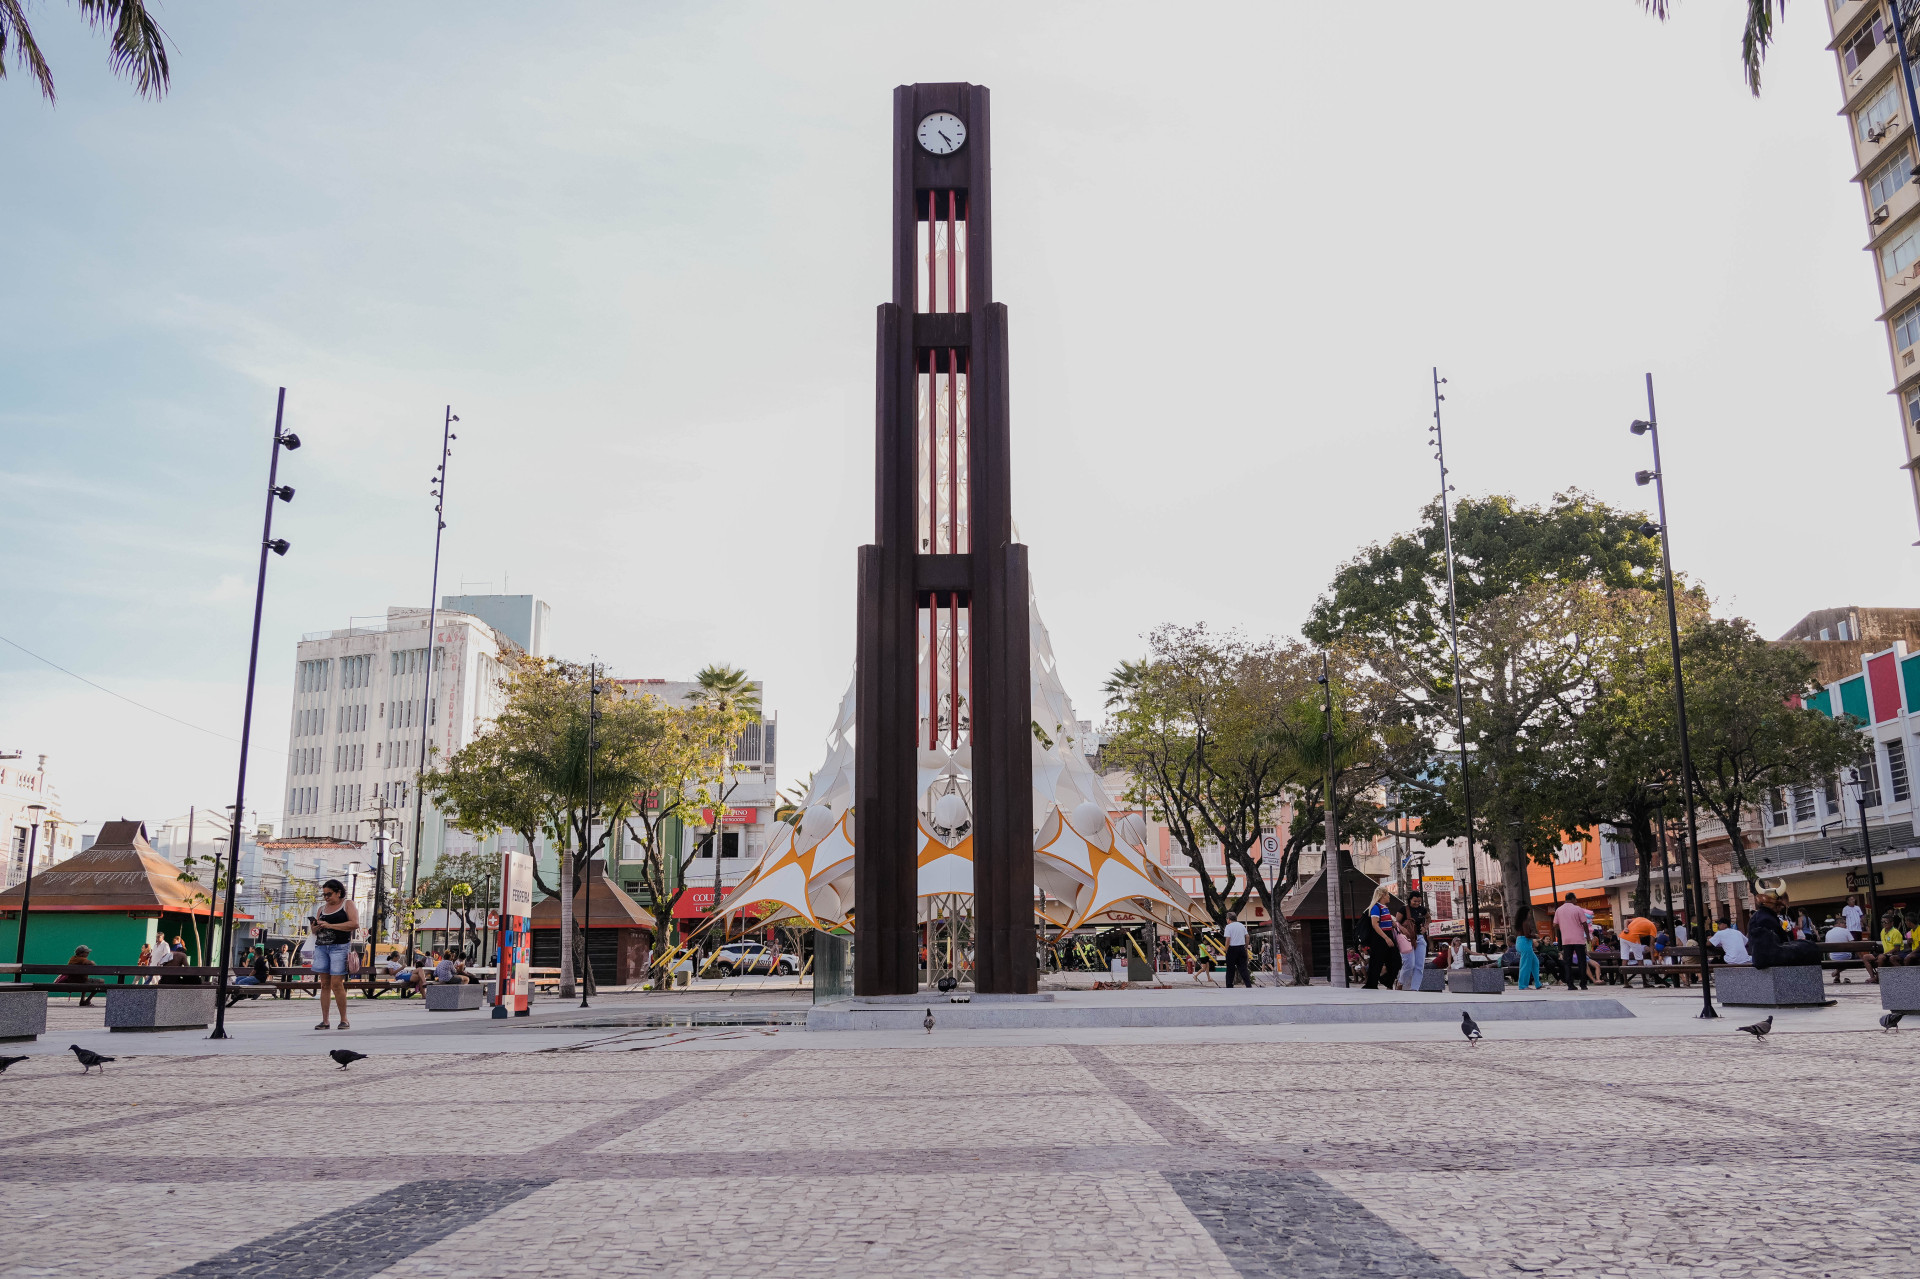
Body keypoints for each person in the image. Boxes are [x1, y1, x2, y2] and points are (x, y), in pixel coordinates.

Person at [308, 878, 361, 1030]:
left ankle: (344, 1019)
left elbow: (354, 923)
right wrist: (316, 927)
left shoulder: (347, 904)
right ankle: (325, 1021)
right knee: (324, 984)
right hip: (322, 947)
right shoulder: (322, 909)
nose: (326, 897)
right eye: (324, 894)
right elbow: (313, 931)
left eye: (329, 894)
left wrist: (331, 925)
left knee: (336, 984)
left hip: (339, 947)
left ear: (338, 892)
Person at [1748, 890, 1820, 969]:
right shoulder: (1767, 918)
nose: (1781, 907)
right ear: (1772, 905)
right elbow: (1777, 943)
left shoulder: (1761, 916)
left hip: (1766, 956)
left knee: (1807, 945)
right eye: (1778, 905)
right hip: (1770, 957)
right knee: (1809, 948)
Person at [1361, 886, 1401, 990]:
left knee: (1396, 961)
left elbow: (1384, 922)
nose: (1389, 896)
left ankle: (1386, 980)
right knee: (1376, 962)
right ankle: (1372, 984)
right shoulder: (1376, 907)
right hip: (1380, 937)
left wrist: (1392, 924)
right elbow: (1375, 924)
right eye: (1387, 894)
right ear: (1382, 895)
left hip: (1388, 934)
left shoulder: (1385, 908)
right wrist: (1386, 938)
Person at [1552, 892, 1591, 991]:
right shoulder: (1577, 908)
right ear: (1573, 899)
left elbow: (1555, 924)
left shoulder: (1559, 910)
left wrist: (1563, 927)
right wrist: (1588, 937)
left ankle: (1570, 984)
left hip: (1566, 940)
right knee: (1582, 962)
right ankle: (1583, 984)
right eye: (1576, 899)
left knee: (1567, 962)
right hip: (1578, 939)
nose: (1576, 901)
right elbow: (1585, 924)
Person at [1222, 913, 1252, 988]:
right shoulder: (1241, 925)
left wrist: (1226, 949)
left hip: (1232, 949)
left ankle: (1229, 985)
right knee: (1243, 968)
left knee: (1230, 968)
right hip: (1241, 948)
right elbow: (1247, 936)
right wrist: (1245, 946)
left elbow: (1228, 939)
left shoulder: (1228, 927)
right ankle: (1248, 984)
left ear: (1228, 919)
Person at [1515, 909, 1542, 990]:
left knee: (1535, 962)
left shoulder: (1520, 922)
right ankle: (1523, 985)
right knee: (1525, 965)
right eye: (1529, 913)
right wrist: (1535, 936)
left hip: (1521, 942)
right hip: (1525, 943)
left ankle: (1538, 983)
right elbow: (1527, 935)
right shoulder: (1525, 922)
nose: (1530, 915)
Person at [1823, 917, 1855, 984]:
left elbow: (1826, 947)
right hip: (1846, 956)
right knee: (1850, 956)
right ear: (1839, 923)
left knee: (1836, 957)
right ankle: (1837, 972)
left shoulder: (1828, 932)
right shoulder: (1846, 931)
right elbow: (1853, 944)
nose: (1846, 925)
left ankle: (1837, 977)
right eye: (1844, 923)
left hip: (1833, 957)